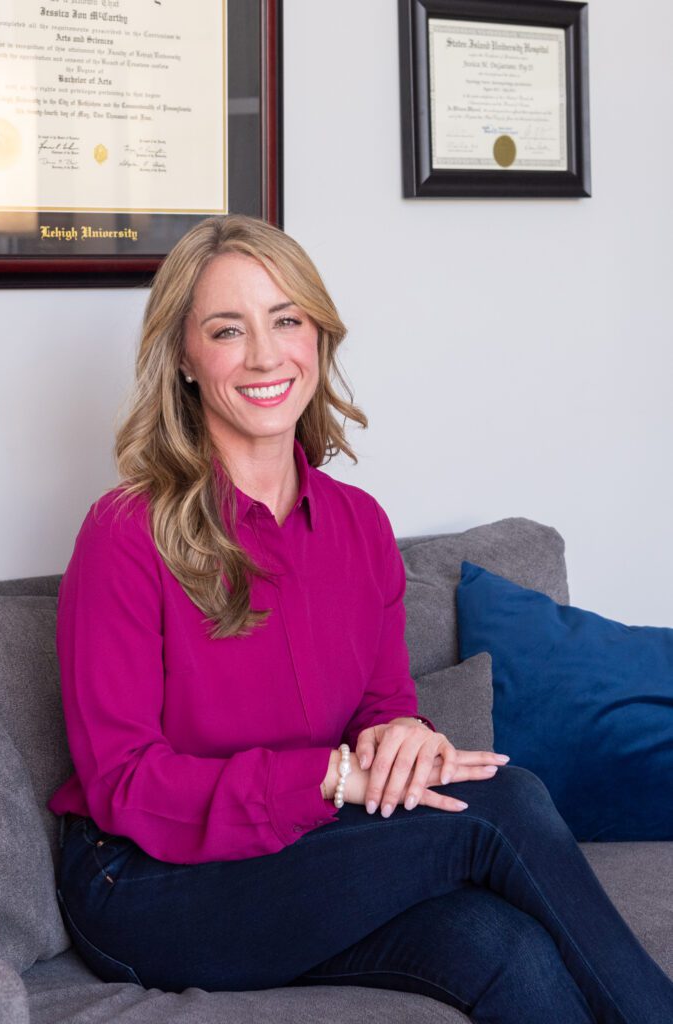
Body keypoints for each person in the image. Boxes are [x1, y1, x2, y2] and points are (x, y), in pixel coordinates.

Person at [48, 214, 673, 1023]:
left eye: (286, 321)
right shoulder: (127, 533)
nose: (266, 355)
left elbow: (380, 707)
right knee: (504, 804)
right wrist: (333, 775)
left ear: (318, 338)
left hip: (294, 852)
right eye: (228, 330)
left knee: (500, 945)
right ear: (183, 358)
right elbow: (126, 782)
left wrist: (402, 736)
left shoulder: (355, 527)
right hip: (143, 886)